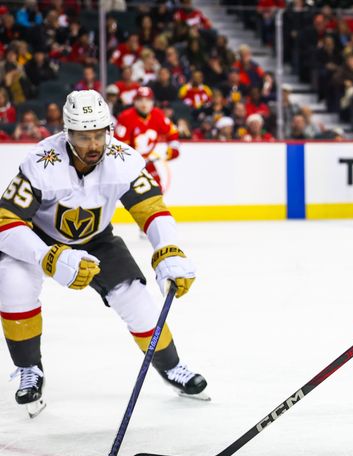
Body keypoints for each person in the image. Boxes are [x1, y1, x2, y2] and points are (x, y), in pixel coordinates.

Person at [0, 90, 208, 418]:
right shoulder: (42, 161)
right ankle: (29, 369)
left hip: (98, 240)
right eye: (84, 137)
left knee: (135, 297)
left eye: (99, 134)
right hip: (39, 238)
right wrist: (48, 257)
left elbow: (152, 209)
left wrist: (168, 250)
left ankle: (172, 366)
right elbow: (7, 221)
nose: (94, 145)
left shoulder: (122, 159)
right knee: (12, 283)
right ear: (67, 133)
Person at [114, 86, 180, 189]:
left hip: (147, 162)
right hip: (129, 164)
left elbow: (172, 132)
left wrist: (174, 148)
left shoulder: (158, 115)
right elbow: (118, 145)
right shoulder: (126, 117)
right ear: (134, 101)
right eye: (140, 100)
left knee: (157, 188)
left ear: (152, 102)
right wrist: (131, 161)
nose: (144, 103)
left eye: (148, 100)